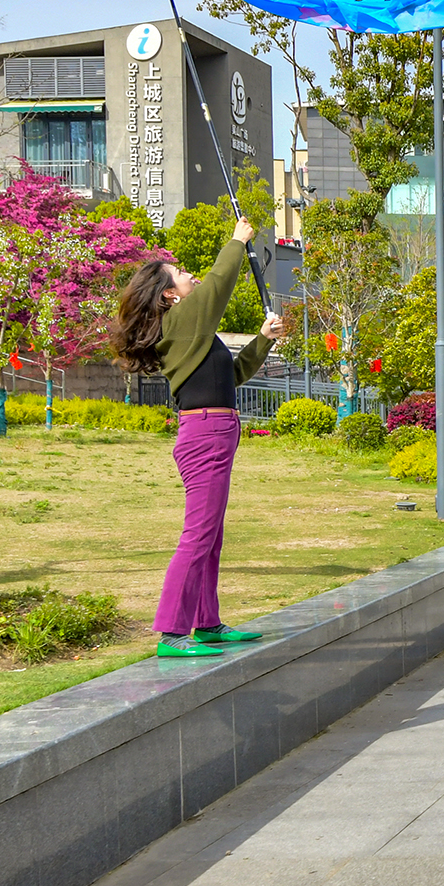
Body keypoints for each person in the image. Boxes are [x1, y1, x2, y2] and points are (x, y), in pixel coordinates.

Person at [114, 216, 288, 658]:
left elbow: (231, 375)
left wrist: (262, 340)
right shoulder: (181, 321)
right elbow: (216, 288)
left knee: (211, 535)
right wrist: (236, 242)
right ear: (168, 295)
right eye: (179, 272)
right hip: (205, 433)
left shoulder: (193, 333)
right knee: (198, 535)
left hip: (216, 429)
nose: (188, 274)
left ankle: (207, 623)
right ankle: (171, 633)